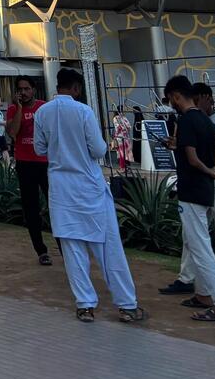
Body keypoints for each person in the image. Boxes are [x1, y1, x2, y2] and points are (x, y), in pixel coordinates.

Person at [33, 67, 145, 324]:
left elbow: (39, 148)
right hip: (88, 187)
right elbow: (98, 149)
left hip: (61, 189)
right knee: (108, 248)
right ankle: (127, 305)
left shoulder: (42, 113)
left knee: (72, 249)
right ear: (76, 88)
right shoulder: (83, 111)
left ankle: (85, 305)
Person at [162, 76, 215, 323]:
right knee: (197, 242)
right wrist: (214, 169)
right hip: (205, 189)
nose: (171, 104)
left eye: (171, 99)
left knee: (200, 248)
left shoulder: (187, 120)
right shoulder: (205, 119)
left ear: (176, 96)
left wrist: (208, 170)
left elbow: (191, 158)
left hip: (191, 190)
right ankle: (204, 295)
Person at [6, 76, 51, 266]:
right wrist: (19, 109)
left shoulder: (44, 107)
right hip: (25, 164)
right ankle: (41, 250)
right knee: (31, 208)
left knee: (55, 205)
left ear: (33, 89)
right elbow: (13, 133)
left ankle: (64, 246)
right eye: (20, 89)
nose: (23, 92)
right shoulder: (13, 109)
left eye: (27, 89)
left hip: (45, 163)